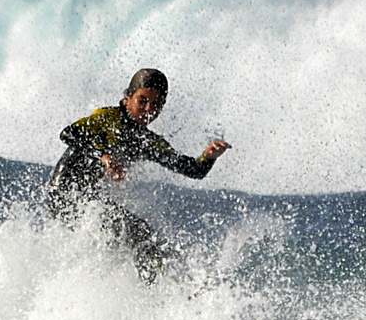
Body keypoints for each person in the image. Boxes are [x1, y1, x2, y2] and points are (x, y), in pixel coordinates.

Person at [47, 68, 230, 279]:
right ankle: (158, 288)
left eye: (156, 104)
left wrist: (208, 157)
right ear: (127, 98)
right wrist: (103, 157)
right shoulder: (107, 118)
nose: (148, 109)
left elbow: (193, 170)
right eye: (142, 101)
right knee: (140, 234)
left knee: (144, 240)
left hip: (89, 204)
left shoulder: (147, 142)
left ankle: (156, 289)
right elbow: (69, 133)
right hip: (63, 196)